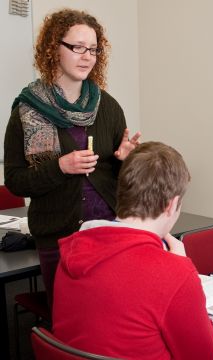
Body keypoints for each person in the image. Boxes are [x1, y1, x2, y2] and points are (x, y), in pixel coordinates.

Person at [3, 9, 141, 307]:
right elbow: (15, 182)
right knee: (70, 319)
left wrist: (125, 159)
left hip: (108, 230)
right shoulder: (27, 111)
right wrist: (60, 167)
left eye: (93, 49)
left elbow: (117, 177)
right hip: (57, 236)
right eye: (77, 47)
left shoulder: (108, 106)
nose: (87, 56)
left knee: (112, 314)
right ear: (54, 48)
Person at [52, 142, 213, 359]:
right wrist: (182, 268)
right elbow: (204, 355)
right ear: (171, 204)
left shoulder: (73, 248)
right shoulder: (174, 272)